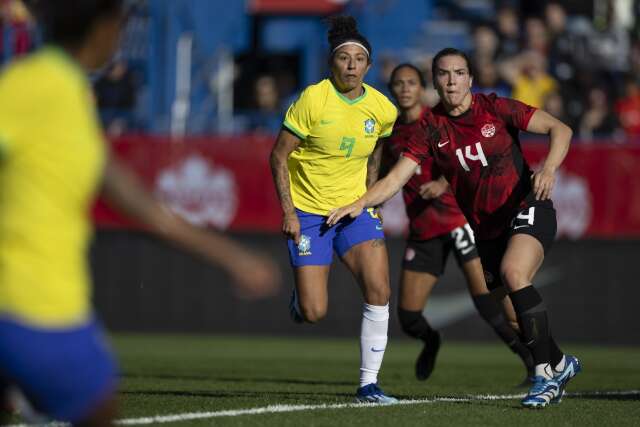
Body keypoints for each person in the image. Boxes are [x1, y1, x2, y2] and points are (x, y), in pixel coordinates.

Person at [0, 1, 279, 425]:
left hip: (24, 307)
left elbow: (128, 195)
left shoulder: (57, 89)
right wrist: (232, 258)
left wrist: (230, 257)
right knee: (97, 406)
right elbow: (136, 202)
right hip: (34, 306)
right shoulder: (41, 87)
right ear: (106, 26)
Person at [327, 48, 582, 408]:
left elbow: (561, 129)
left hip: (526, 208)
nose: (452, 80)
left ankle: (544, 377)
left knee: (513, 272)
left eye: (459, 73)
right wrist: (359, 203)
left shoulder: (496, 107)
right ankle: (558, 362)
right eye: (444, 74)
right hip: (487, 229)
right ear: (436, 82)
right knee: (510, 314)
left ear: (470, 79)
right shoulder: (431, 127)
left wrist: (550, 168)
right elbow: (396, 178)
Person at [270, 15, 398, 403]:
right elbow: (278, 157)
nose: (352, 65)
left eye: (359, 59)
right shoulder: (313, 99)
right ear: (332, 63)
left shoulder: (382, 109)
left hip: (353, 212)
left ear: (369, 66)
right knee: (313, 312)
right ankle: (300, 300)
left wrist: (370, 200)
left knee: (379, 290)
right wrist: (289, 212)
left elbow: (377, 153)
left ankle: (368, 385)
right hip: (308, 213)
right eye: (344, 58)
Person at [382, 63, 534, 383]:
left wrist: (442, 183)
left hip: (457, 220)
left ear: (422, 87)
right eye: (399, 83)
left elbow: (470, 159)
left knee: (487, 302)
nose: (406, 88)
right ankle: (431, 340)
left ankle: (534, 362)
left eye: (412, 82)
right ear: (392, 89)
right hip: (423, 229)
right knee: (408, 318)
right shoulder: (392, 133)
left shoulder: (435, 121)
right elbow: (385, 177)